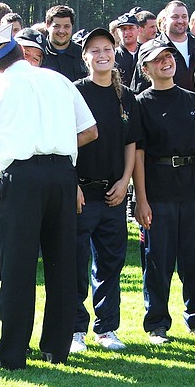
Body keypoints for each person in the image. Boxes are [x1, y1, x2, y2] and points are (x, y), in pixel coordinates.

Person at [0, 24, 98, 370]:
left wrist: (6, 142)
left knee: (17, 267)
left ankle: (12, 354)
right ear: (21, 52)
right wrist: (56, 140)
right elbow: (89, 131)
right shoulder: (59, 80)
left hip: (22, 177)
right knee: (62, 263)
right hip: (62, 174)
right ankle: (57, 348)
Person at [133, 39, 195, 344]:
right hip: (158, 191)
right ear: (146, 68)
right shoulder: (140, 104)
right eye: (157, 59)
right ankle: (157, 325)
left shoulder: (193, 100)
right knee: (157, 262)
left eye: (168, 56)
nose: (166, 62)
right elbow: (138, 155)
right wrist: (141, 199)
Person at [70, 28, 141, 353]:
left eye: (107, 49)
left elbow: (131, 143)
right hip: (81, 195)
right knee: (75, 264)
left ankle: (107, 328)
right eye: (95, 50)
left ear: (114, 53)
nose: (102, 55)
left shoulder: (126, 96)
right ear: (85, 57)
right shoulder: (75, 92)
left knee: (111, 264)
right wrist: (72, 185)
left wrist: (125, 180)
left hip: (114, 194)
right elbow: (64, 142)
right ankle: (75, 330)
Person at [131, 0, 195, 94]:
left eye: (184, 17)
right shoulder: (151, 50)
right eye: (175, 17)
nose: (180, 21)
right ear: (164, 19)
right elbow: (138, 91)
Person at [42, 5, 88, 82]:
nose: (61, 31)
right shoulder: (39, 54)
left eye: (66, 26)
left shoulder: (83, 54)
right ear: (47, 25)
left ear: (72, 26)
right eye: (57, 26)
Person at [114, 12, 140, 86]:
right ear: (118, 32)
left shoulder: (145, 53)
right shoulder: (113, 56)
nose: (127, 32)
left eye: (131, 28)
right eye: (123, 29)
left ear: (138, 30)